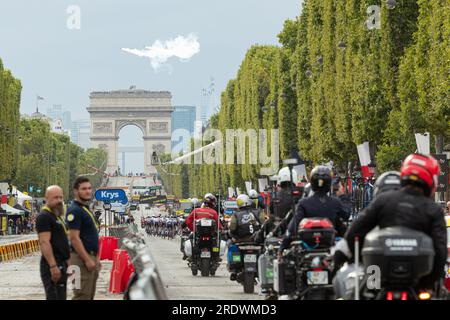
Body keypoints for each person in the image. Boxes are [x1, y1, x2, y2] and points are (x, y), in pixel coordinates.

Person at [344, 154, 447, 290]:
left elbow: (354, 233)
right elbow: (440, 251)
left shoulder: (383, 200)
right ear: (432, 179)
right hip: (418, 282)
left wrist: (357, 260)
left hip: (378, 279)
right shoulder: (433, 210)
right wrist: (428, 283)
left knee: (358, 291)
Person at [278, 165, 349, 255]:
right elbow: (346, 215)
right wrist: (343, 197)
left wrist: (282, 247)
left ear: (312, 182)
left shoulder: (304, 203)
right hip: (331, 248)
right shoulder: (335, 203)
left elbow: (293, 226)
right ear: (329, 183)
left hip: (307, 249)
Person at [66, 176, 101, 300]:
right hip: (79, 259)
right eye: (84, 189)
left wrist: (96, 258)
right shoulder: (74, 211)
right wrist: (87, 259)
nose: (88, 191)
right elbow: (74, 238)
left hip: (88, 257)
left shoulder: (84, 209)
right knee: (82, 296)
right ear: (76, 191)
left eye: (89, 188)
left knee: (88, 296)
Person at [36, 185, 70, 300]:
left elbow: (62, 242)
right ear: (47, 198)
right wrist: (53, 265)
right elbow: (44, 242)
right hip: (52, 265)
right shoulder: (44, 216)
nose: (59, 201)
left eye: (61, 197)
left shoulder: (57, 217)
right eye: (55, 198)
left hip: (61, 263)